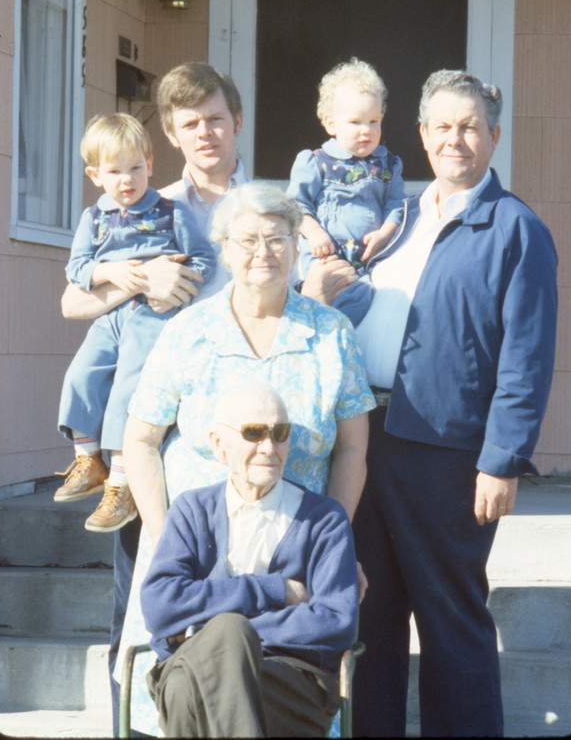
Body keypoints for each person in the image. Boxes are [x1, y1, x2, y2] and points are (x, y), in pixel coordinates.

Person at [339, 69, 557, 737]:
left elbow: (528, 354)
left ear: (493, 136)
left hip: (449, 454)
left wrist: (503, 459)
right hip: (364, 440)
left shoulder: (516, 229)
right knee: (369, 619)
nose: (455, 138)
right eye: (442, 126)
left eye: (469, 126)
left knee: (451, 619)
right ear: (423, 135)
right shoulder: (398, 215)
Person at [118, 181, 374, 735]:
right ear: (225, 249)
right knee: (199, 667)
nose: (263, 251)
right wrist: (167, 541)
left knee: (248, 677)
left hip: (294, 560)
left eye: (278, 238)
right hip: (197, 558)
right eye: (248, 239)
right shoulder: (189, 331)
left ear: (297, 246)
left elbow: (353, 447)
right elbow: (139, 439)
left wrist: (334, 544)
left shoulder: (331, 334)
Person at [59, 62, 248, 735]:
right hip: (159, 440)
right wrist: (136, 280)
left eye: (216, 118)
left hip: (248, 433)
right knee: (142, 590)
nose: (206, 132)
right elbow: (71, 299)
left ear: (237, 122)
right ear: (169, 132)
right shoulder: (142, 203)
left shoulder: (271, 206)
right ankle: (136, 725)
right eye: (190, 122)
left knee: (237, 594)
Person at [141, 381, 358, 738]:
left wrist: (223, 634)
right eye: (253, 433)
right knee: (189, 676)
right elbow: (159, 607)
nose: (269, 448)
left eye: (280, 433)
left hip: (289, 681)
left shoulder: (324, 519)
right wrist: (272, 591)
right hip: (192, 668)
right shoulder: (191, 510)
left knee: (198, 672)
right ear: (217, 443)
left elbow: (336, 620)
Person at [54, 113, 216, 533]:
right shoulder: (95, 218)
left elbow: (203, 258)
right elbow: (77, 268)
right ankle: (89, 460)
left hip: (151, 314)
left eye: (135, 168)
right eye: (114, 171)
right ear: (95, 175)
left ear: (150, 163)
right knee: (81, 373)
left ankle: (123, 482)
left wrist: (176, 289)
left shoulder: (169, 210)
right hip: (110, 315)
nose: (127, 180)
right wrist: (112, 273)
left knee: (129, 386)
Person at [287, 58, 405, 325]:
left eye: (374, 121)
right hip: (324, 257)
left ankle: (349, 348)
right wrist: (314, 232)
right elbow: (295, 205)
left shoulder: (388, 164)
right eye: (355, 122)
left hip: (369, 258)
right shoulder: (316, 161)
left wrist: (385, 233)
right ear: (331, 124)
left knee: (372, 302)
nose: (366, 131)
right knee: (326, 302)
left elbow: (397, 204)